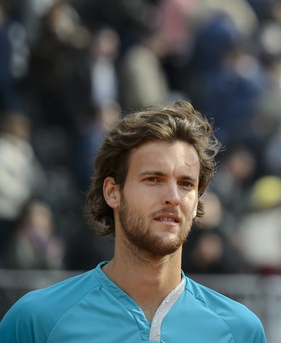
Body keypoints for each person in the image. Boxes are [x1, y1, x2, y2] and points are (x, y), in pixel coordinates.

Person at [0, 100, 267, 342]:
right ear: (112, 192)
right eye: (153, 179)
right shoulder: (36, 321)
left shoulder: (241, 331)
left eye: (186, 184)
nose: (173, 197)